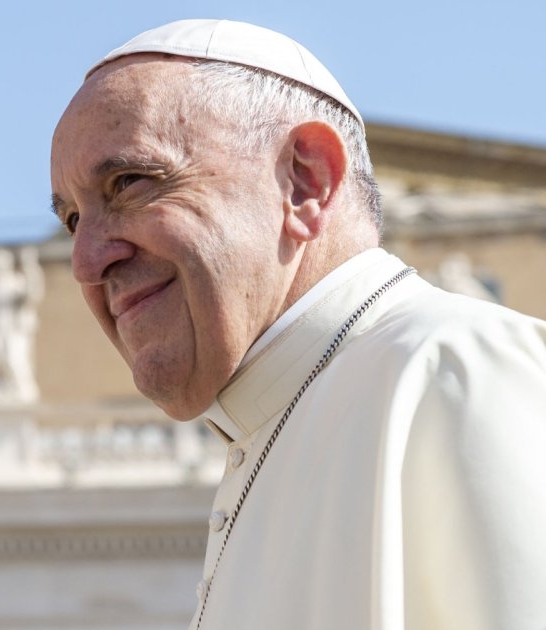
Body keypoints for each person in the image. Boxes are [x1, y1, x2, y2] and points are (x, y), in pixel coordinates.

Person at [49, 19, 546, 630]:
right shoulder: (264, 428)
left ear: (305, 183)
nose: (86, 262)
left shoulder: (458, 369)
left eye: (128, 183)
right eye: (73, 219)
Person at [0, 247, 44, 406]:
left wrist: (31, 266)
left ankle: (21, 390)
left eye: (0, 265)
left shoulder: (16, 283)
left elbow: (32, 294)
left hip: (12, 329)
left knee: (14, 360)